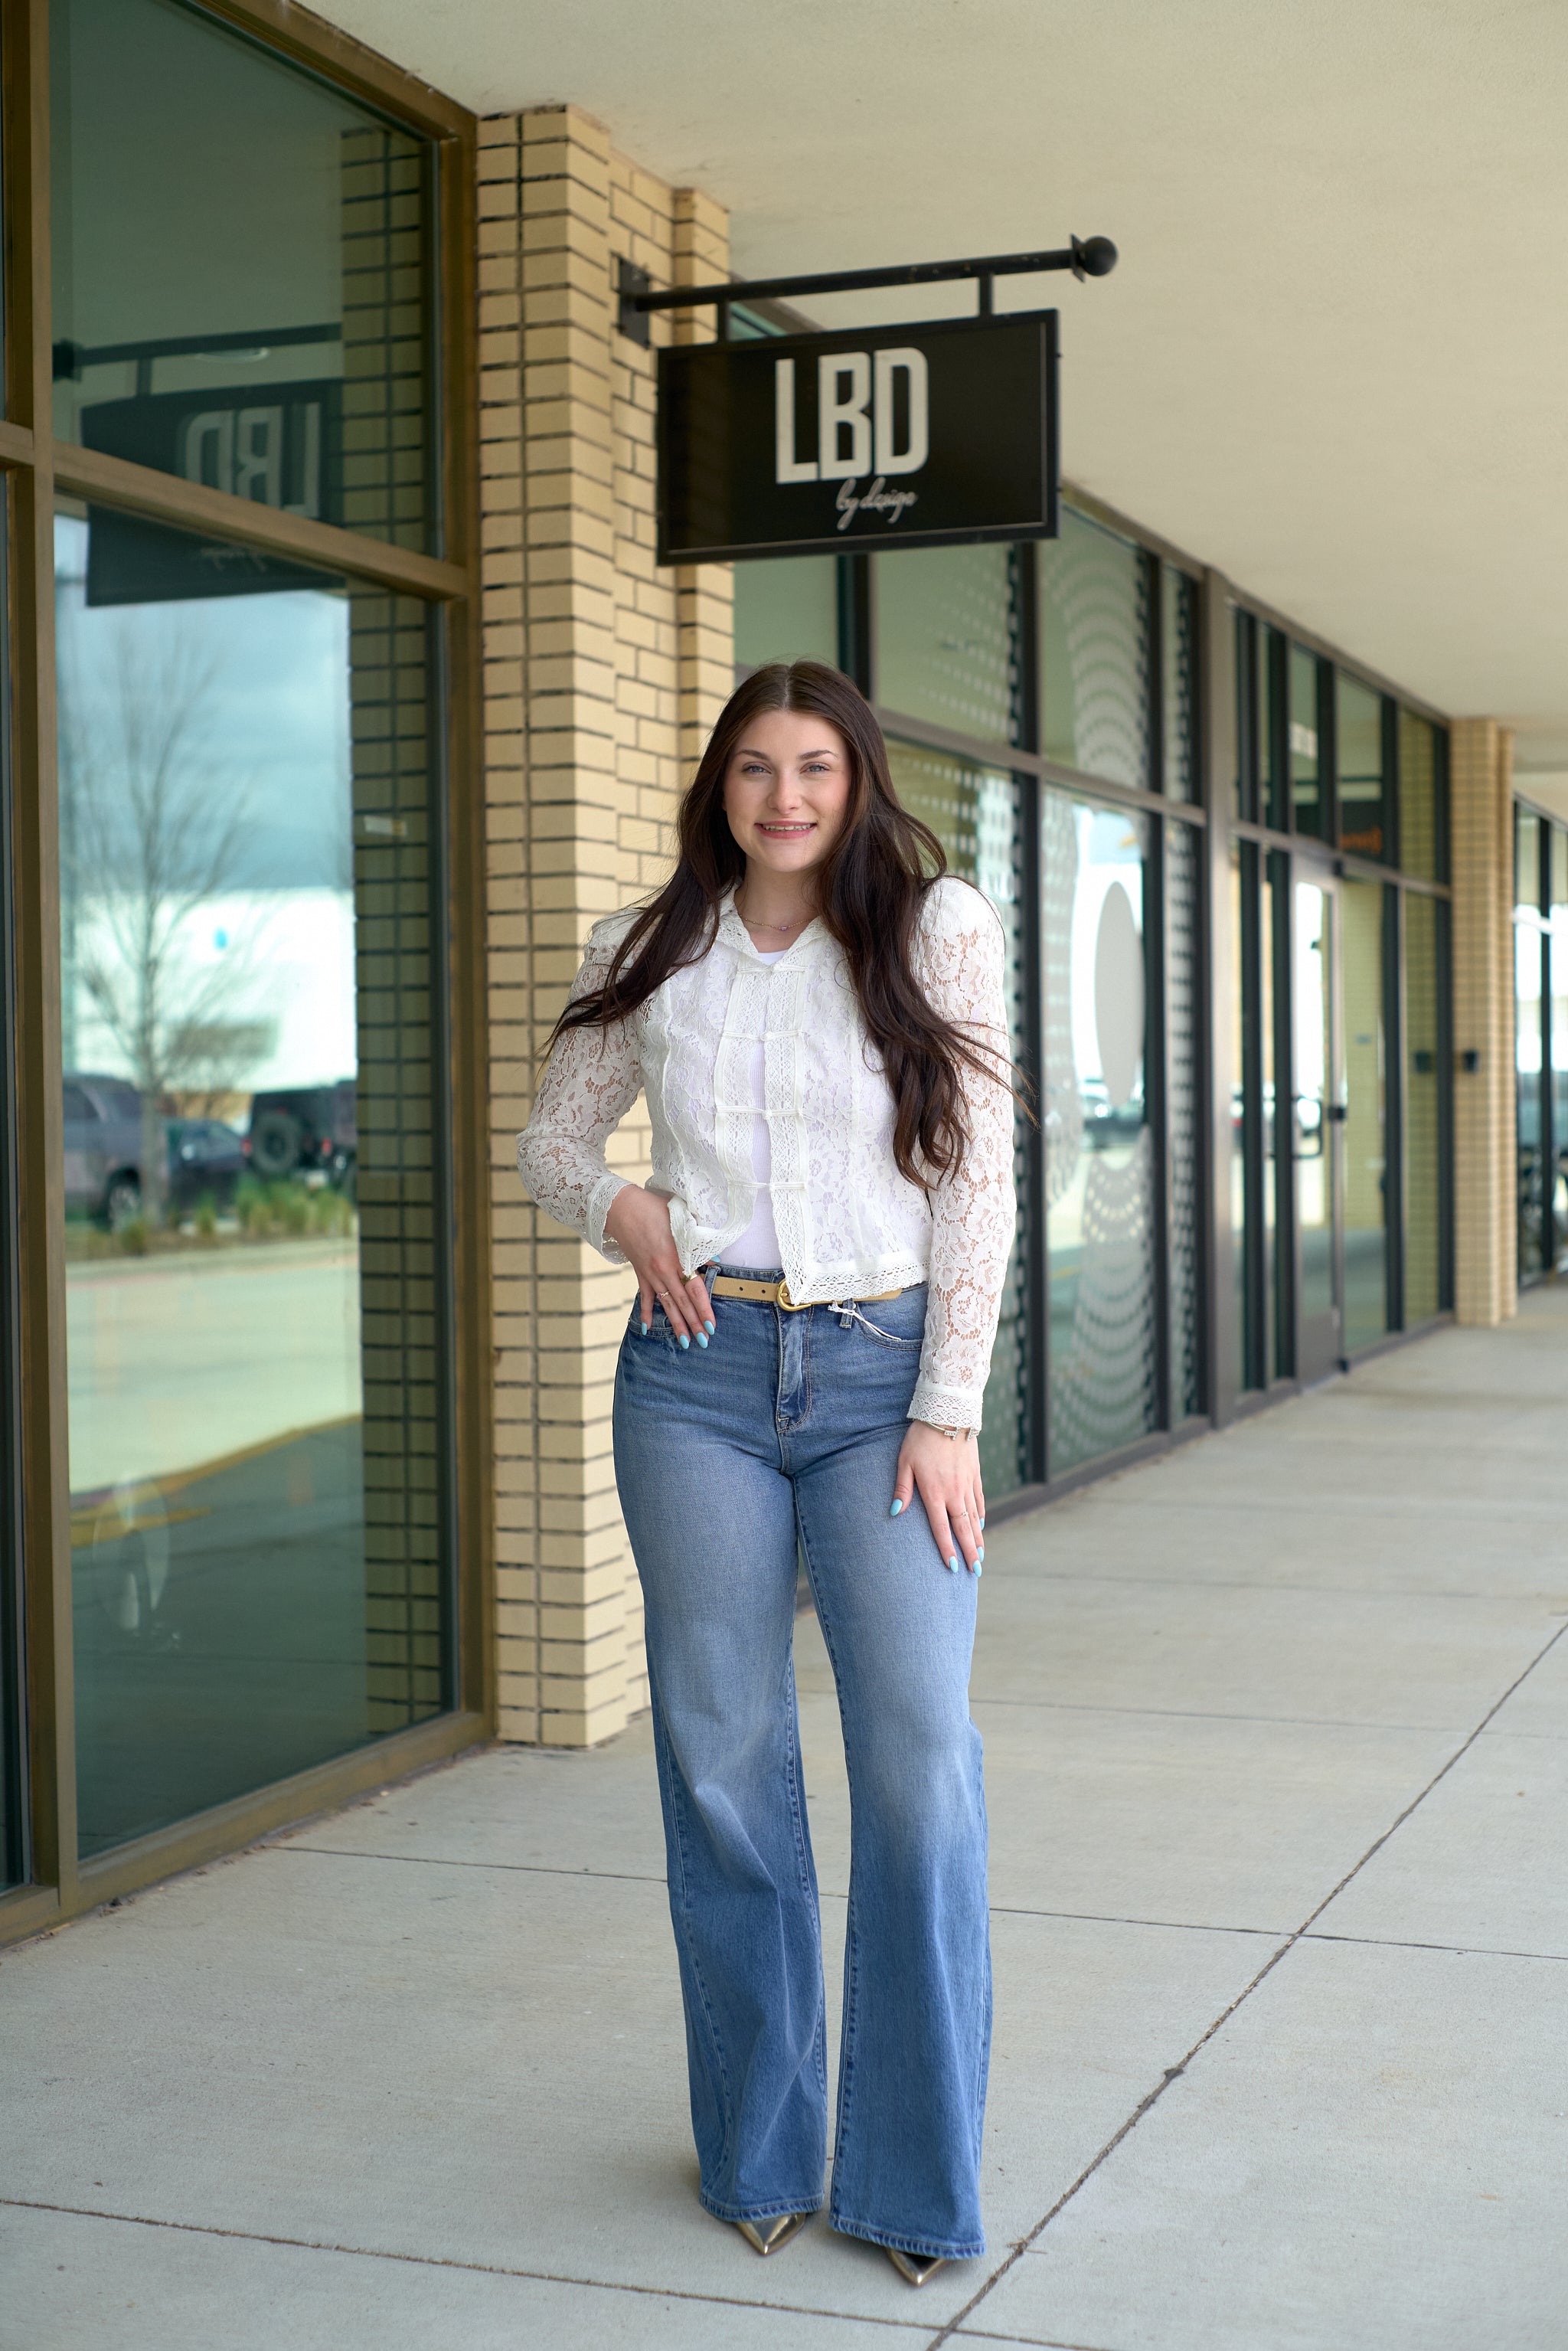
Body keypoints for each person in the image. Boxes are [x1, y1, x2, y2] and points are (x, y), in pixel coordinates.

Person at [516, 659, 1016, 2287]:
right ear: (716, 785)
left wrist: (947, 1406)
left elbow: (978, 1178)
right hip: (696, 1378)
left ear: (857, 776)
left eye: (813, 767)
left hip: (882, 1384)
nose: (784, 798)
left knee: (919, 1764)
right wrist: (624, 1209)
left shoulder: (933, 926)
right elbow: (550, 1139)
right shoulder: (646, 946)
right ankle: (756, 2143)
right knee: (723, 1759)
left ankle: (913, 2178)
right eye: (753, 769)